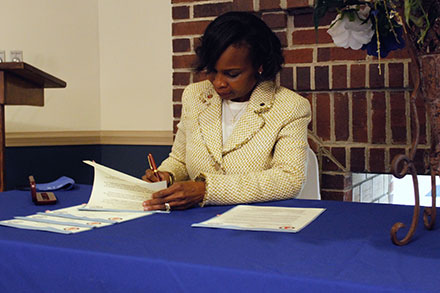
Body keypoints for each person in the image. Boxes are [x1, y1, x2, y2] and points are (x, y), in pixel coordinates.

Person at [142, 11, 311, 211]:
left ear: (260, 66)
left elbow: (289, 179)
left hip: (255, 225)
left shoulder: (290, 106)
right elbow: (179, 159)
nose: (218, 83)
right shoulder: (195, 96)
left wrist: (206, 190)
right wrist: (166, 175)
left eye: (232, 74)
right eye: (212, 71)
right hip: (193, 221)